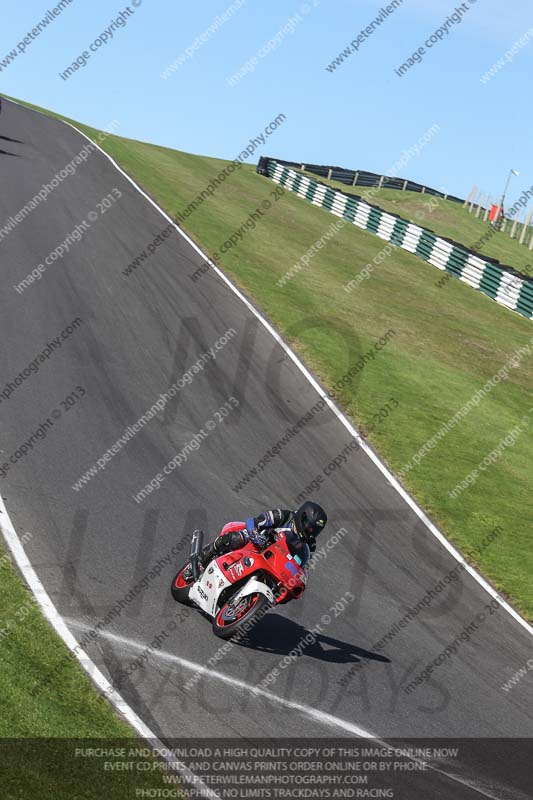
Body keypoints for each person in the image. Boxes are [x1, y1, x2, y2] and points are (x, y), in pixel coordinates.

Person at [183, 501, 327, 580]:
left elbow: (302, 563)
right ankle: (202, 559)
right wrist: (255, 535)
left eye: (315, 530)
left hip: (275, 562)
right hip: (255, 543)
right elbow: (253, 521)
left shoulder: (311, 544)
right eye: (310, 526)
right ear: (302, 517)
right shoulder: (283, 516)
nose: (310, 531)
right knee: (235, 539)